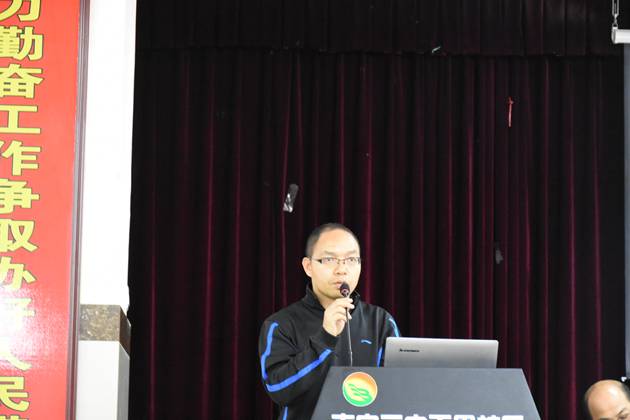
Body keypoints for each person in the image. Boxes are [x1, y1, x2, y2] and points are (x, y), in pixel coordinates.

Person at [258, 223, 400, 420]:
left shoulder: (381, 321)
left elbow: (399, 389)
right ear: (308, 267)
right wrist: (325, 338)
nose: (342, 269)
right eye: (330, 259)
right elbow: (278, 389)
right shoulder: (281, 324)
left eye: (351, 259)